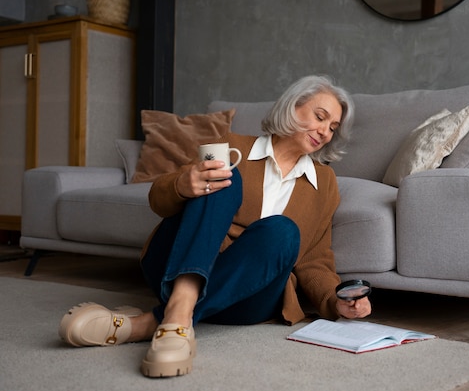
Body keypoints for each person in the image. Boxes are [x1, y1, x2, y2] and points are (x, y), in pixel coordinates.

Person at [58, 75, 372, 378]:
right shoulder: (230, 145)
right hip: (174, 266)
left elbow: (314, 258)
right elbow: (158, 200)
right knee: (222, 175)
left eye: (332, 128)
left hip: (249, 298)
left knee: (283, 231)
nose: (325, 132)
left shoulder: (325, 183)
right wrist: (184, 183)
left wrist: (337, 301)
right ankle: (180, 310)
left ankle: (150, 323)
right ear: (292, 106)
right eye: (320, 117)